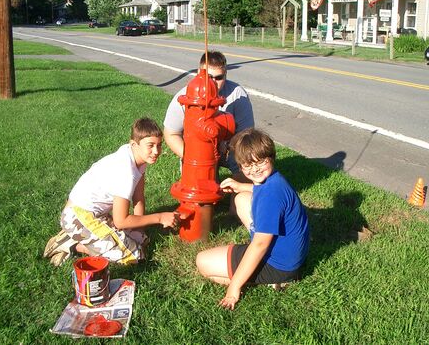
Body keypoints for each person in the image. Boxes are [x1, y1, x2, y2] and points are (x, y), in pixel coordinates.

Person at [195, 128, 310, 310]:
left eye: (261, 162)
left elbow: (260, 245)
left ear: (271, 157)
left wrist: (234, 288)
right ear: (240, 167)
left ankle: (273, 280)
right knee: (242, 198)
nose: (255, 169)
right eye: (248, 165)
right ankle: (272, 275)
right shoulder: (274, 181)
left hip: (278, 264)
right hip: (291, 257)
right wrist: (240, 186)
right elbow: (260, 190)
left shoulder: (270, 197)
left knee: (202, 262)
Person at [44, 118, 178, 266]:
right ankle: (71, 245)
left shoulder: (137, 157)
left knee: (142, 241)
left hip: (97, 215)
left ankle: (88, 239)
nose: (156, 151)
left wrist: (140, 233)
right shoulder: (125, 172)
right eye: (151, 145)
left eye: (159, 145)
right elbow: (121, 221)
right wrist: (160, 217)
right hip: (78, 217)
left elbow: (138, 197)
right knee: (135, 256)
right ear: (134, 144)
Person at [163, 51, 254, 175]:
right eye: (209, 77)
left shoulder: (238, 95)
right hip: (196, 151)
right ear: (199, 75)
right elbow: (171, 133)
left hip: (229, 149)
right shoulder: (184, 96)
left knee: (247, 169)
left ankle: (239, 191)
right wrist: (194, 157)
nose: (213, 82)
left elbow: (247, 134)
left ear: (225, 75)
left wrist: (228, 145)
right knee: (196, 183)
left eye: (219, 77)